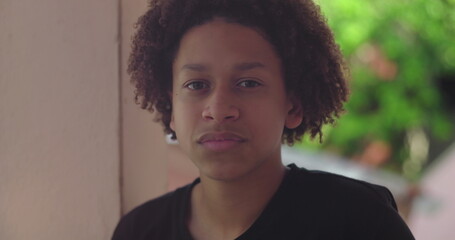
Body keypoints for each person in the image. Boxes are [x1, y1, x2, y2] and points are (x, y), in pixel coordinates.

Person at [112, 0, 415, 239]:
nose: (218, 109)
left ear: (293, 105)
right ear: (170, 108)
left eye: (248, 83)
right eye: (196, 85)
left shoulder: (359, 223)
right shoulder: (139, 232)